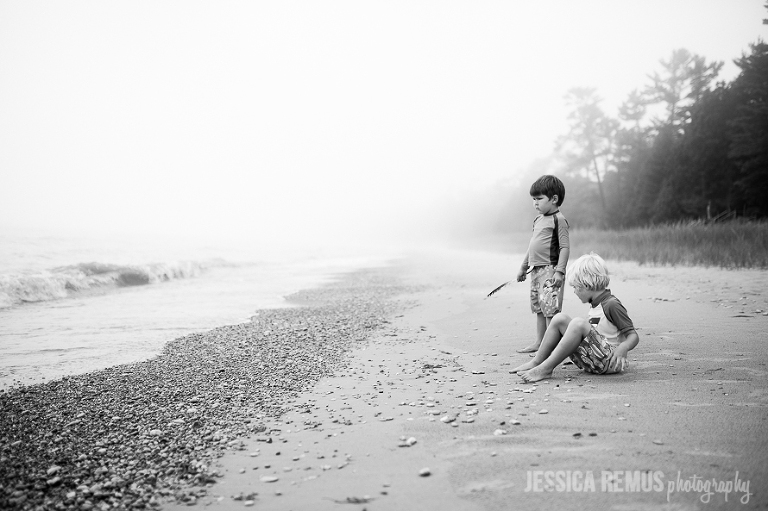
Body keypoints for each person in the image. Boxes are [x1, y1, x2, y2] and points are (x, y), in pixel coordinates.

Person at [510, 252, 639, 383]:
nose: (574, 292)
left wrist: (623, 347)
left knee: (578, 323)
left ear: (586, 285)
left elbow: (633, 335)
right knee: (560, 318)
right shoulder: (596, 304)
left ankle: (546, 368)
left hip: (609, 361)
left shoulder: (612, 304)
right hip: (593, 358)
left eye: (576, 287)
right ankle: (537, 362)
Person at [516, 175, 570, 353]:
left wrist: (560, 272)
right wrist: (524, 266)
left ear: (554, 199)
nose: (535, 203)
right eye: (533, 199)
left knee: (550, 309)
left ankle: (552, 346)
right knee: (539, 307)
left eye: (539, 199)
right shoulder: (538, 220)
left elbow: (564, 247)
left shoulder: (559, 220)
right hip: (536, 270)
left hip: (551, 269)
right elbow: (532, 245)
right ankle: (540, 342)